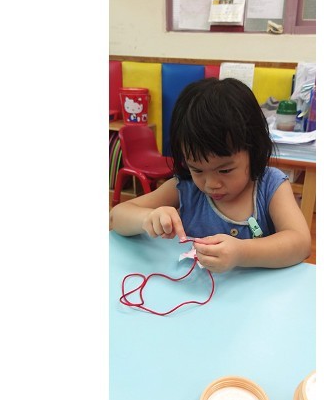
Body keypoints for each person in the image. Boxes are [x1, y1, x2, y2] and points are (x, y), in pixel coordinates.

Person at [109, 77, 311, 273]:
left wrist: (241, 252)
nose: (211, 184)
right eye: (197, 169)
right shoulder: (185, 187)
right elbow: (115, 217)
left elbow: (301, 243)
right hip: (197, 293)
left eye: (225, 170)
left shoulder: (271, 186)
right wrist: (147, 218)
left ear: (253, 151)